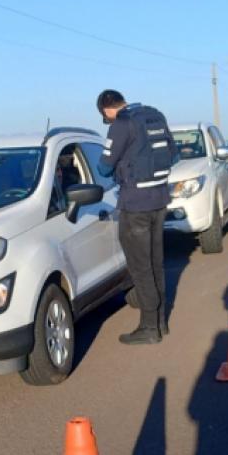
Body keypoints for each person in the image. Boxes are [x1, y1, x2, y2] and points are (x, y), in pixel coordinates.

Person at [97, 89, 175, 345]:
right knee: (155, 264)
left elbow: (104, 167)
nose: (107, 120)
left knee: (141, 268)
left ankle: (149, 328)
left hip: (135, 205)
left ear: (107, 109)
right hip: (160, 199)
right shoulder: (155, 115)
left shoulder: (122, 123)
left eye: (105, 117)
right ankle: (160, 322)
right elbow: (174, 154)